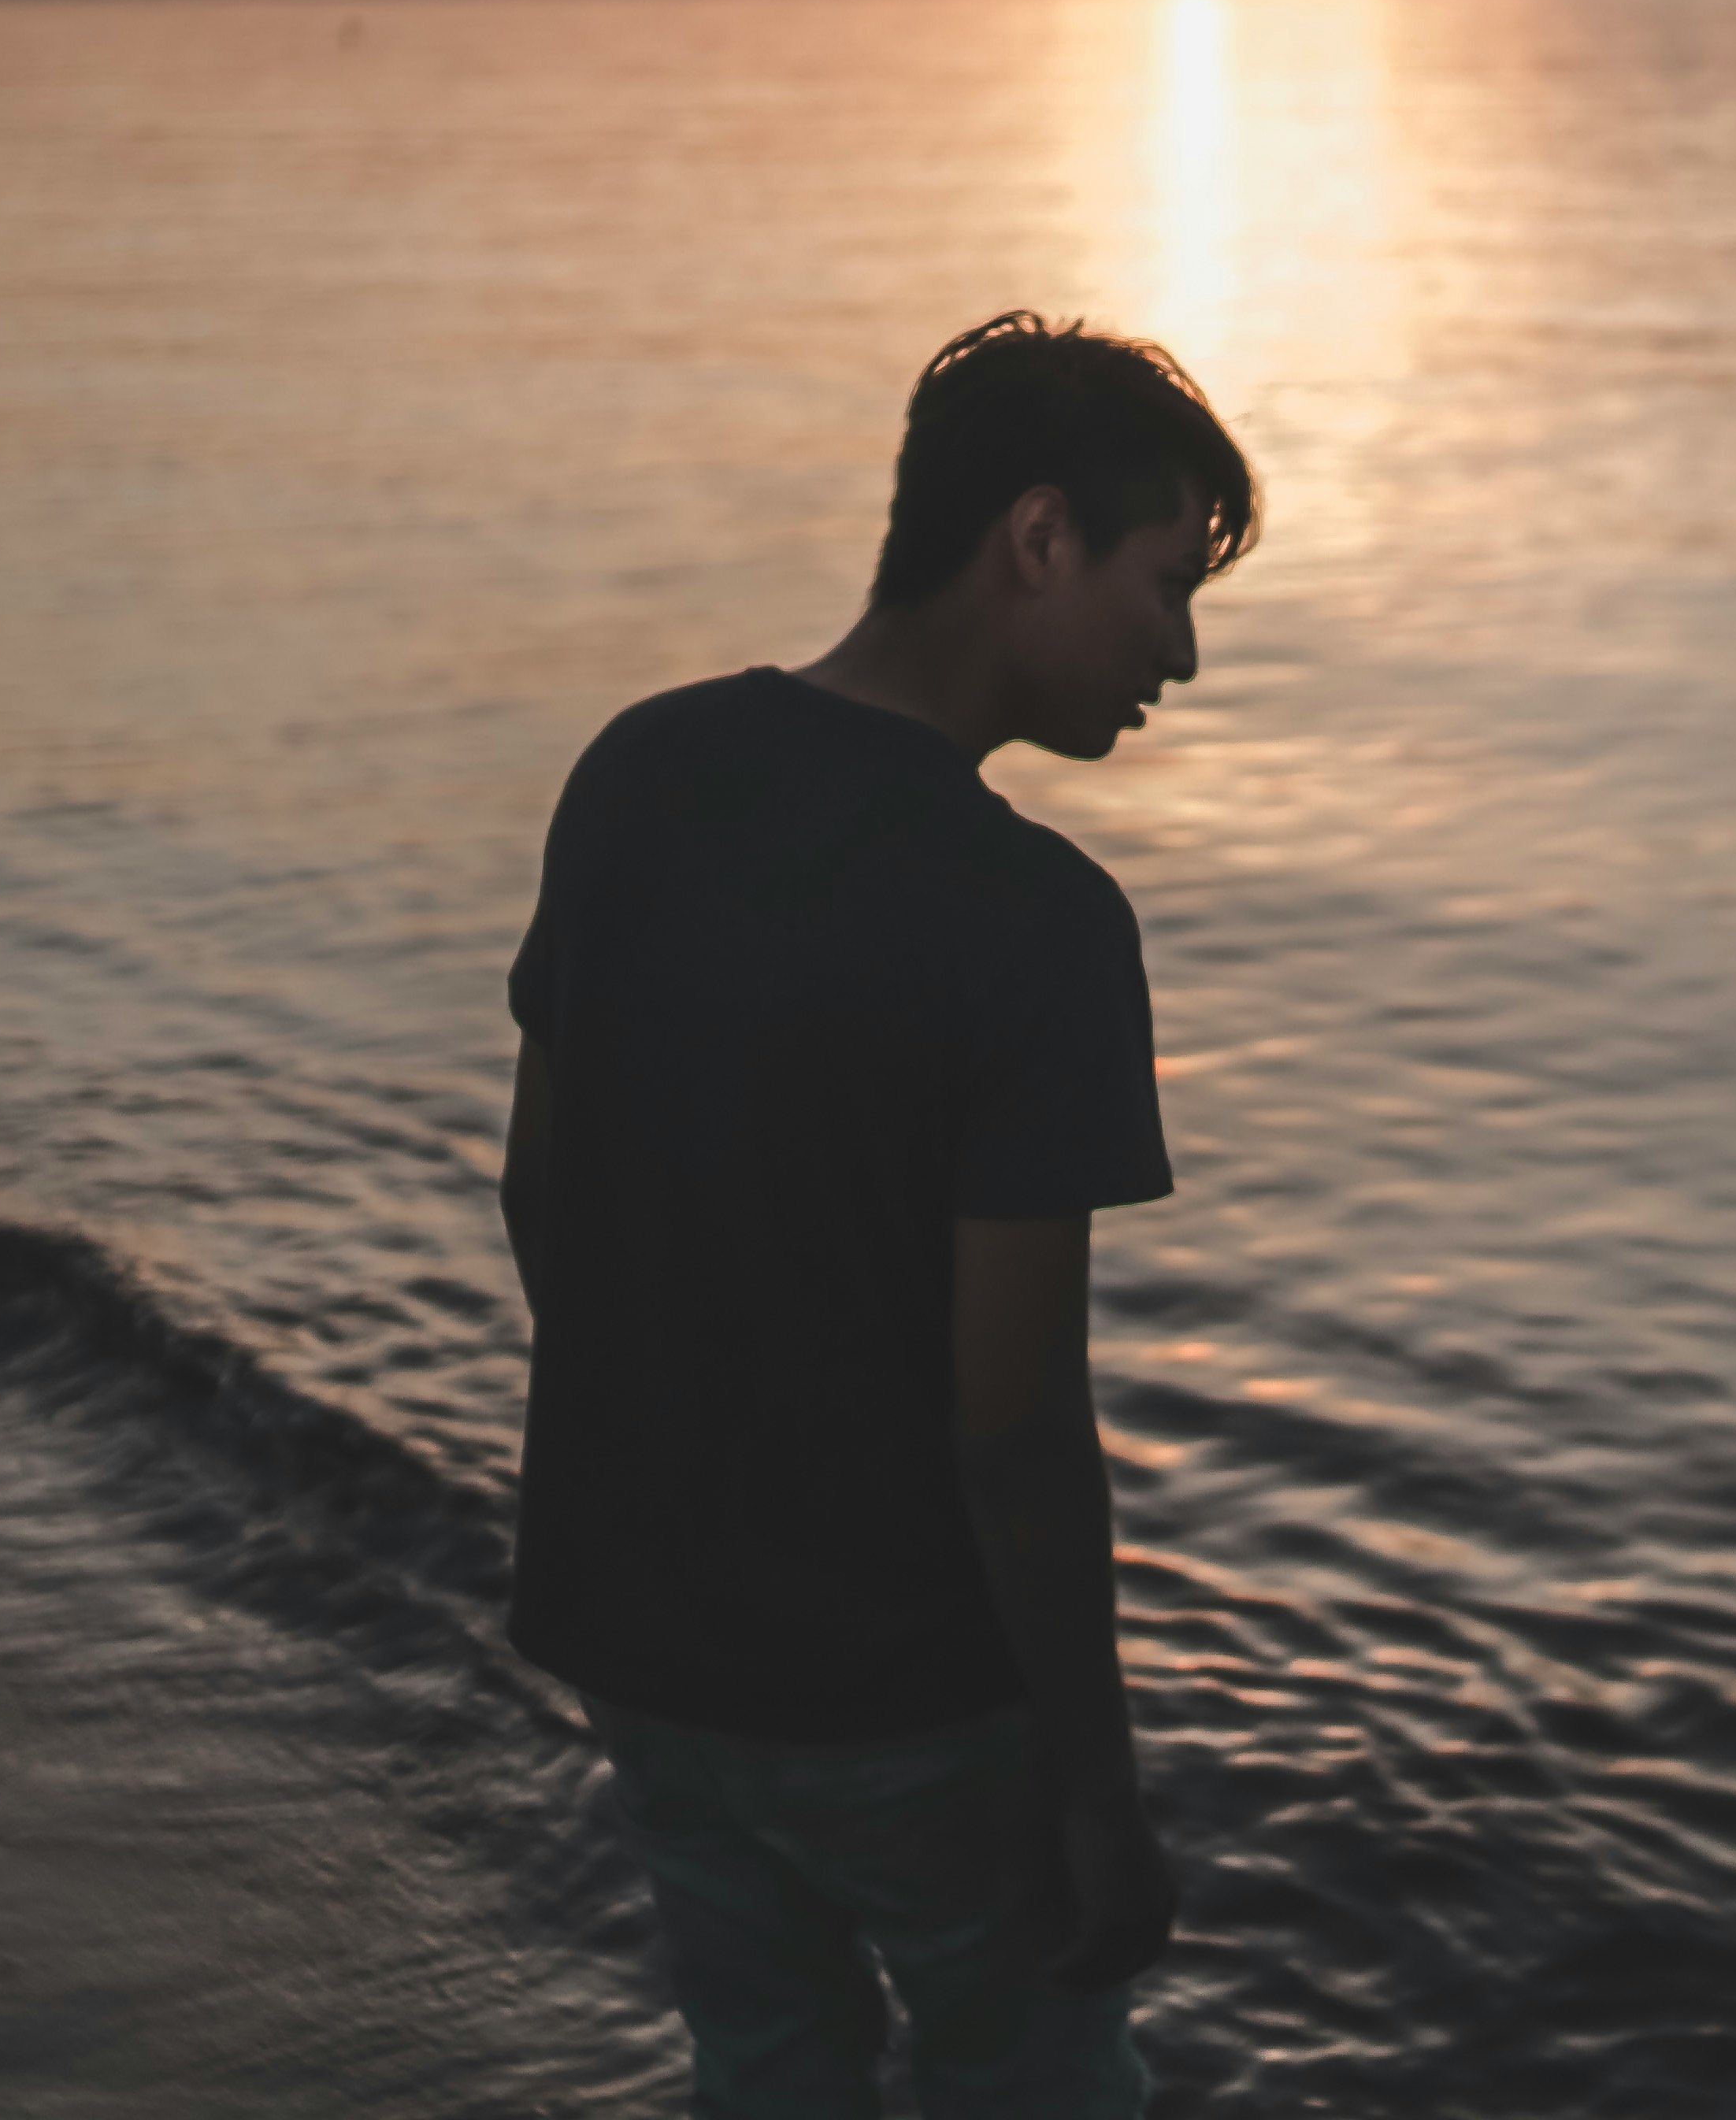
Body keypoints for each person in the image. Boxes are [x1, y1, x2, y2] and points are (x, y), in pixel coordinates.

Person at [498, 311, 1259, 2118]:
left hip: (638, 1633)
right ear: (1039, 536)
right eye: (1166, 584)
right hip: (895, 1692)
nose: (1183, 652)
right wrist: (1096, 1789)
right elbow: (1012, 1422)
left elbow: (545, 1191)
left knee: (768, 2066)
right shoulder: (1038, 925)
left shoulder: (641, 768)